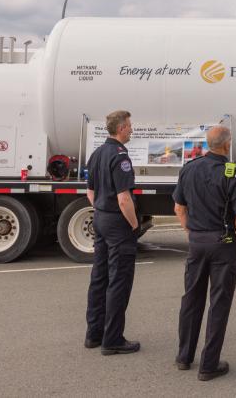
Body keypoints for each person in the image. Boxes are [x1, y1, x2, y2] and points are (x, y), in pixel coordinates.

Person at [173, 125, 236, 380]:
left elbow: (179, 208)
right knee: (218, 303)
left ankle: (184, 357)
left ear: (208, 144)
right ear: (227, 145)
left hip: (196, 241)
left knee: (191, 299)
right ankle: (209, 365)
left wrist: (190, 232)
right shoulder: (232, 172)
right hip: (223, 243)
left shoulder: (189, 168)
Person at [85, 110, 141, 355]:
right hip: (117, 224)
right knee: (119, 280)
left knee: (99, 278)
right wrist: (134, 225)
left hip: (99, 218)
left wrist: (100, 210)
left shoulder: (97, 153)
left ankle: (94, 334)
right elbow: (123, 198)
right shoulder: (120, 157)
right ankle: (113, 339)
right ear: (120, 128)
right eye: (129, 126)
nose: (131, 129)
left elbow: (90, 192)